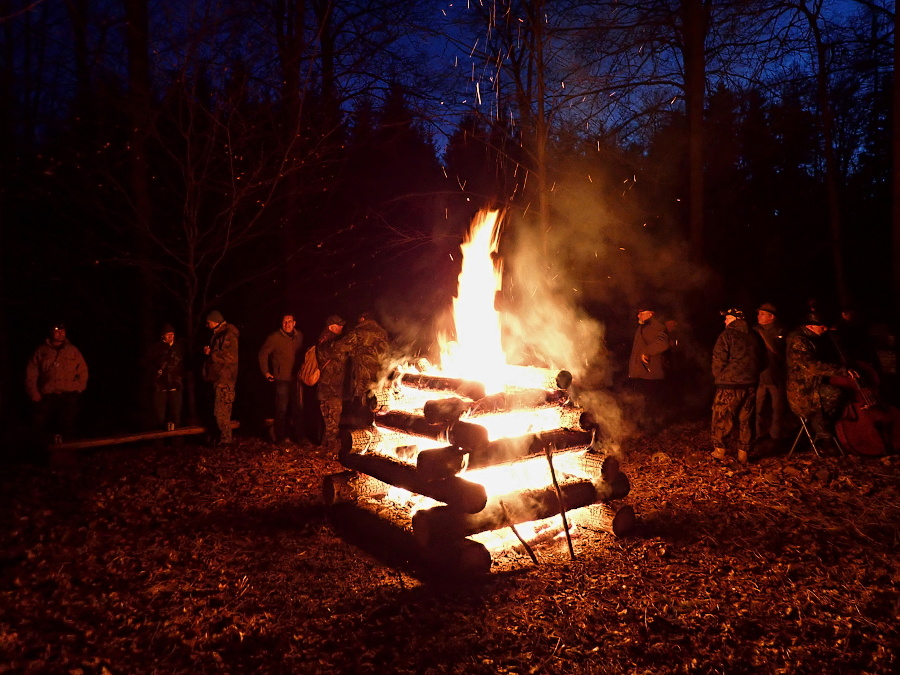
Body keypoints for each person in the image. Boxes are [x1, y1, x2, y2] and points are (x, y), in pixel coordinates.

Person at [786, 311, 849, 451]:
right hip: (803, 392)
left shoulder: (813, 338)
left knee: (831, 397)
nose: (825, 329)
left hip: (813, 387)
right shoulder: (799, 341)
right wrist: (842, 370)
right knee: (834, 394)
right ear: (810, 326)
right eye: (822, 327)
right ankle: (822, 431)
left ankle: (823, 430)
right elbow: (812, 366)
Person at [711, 308, 762, 463]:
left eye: (727, 318)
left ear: (734, 319)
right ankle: (743, 454)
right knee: (746, 419)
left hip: (729, 385)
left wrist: (720, 377)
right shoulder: (754, 336)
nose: (724, 321)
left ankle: (720, 451)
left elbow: (718, 360)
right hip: (750, 384)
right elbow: (763, 360)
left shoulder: (727, 335)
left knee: (721, 417)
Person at [25, 322, 89, 442]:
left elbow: (83, 371)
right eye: (57, 331)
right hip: (47, 395)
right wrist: (33, 392)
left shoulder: (73, 350)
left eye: (62, 331)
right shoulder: (41, 350)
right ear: (51, 332)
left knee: (68, 425)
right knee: (39, 425)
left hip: (68, 395)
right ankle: (39, 452)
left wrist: (79, 387)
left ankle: (69, 454)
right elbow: (31, 372)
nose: (60, 334)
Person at [258, 313, 305, 446]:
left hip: (297, 379)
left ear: (294, 323)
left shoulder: (299, 336)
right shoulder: (274, 338)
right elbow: (263, 353)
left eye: (290, 321)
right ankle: (281, 438)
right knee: (281, 410)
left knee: (298, 409)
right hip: (281, 379)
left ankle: (301, 438)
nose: (287, 324)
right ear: (281, 323)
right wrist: (266, 372)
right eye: (285, 322)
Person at [627, 305, 669, 433]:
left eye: (641, 313)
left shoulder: (656, 327)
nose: (638, 316)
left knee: (649, 403)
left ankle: (651, 429)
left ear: (650, 314)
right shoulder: (643, 327)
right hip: (641, 373)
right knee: (640, 401)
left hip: (650, 374)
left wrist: (647, 352)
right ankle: (641, 427)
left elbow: (663, 343)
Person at [202, 310, 239, 446]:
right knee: (217, 411)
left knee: (221, 412)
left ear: (215, 321)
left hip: (224, 379)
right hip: (217, 378)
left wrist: (211, 353)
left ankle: (225, 441)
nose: (207, 325)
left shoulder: (228, 335)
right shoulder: (219, 335)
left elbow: (230, 357)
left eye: (208, 322)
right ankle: (219, 439)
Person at [753, 303, 789, 442]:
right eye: (759, 313)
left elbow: (786, 353)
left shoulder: (782, 331)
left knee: (778, 409)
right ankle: (757, 434)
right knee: (756, 409)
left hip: (776, 376)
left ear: (771, 317)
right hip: (759, 377)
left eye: (762, 314)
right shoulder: (754, 331)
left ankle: (776, 436)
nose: (758, 316)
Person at [315, 315, 347, 455]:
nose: (342, 327)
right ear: (331, 326)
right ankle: (331, 449)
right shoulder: (329, 342)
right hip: (331, 388)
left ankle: (324, 445)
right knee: (333, 420)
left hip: (326, 387)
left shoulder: (326, 339)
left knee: (328, 419)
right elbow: (338, 356)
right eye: (339, 325)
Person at [145, 323, 185, 429]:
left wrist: (180, 375)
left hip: (175, 384)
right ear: (163, 335)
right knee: (159, 416)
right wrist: (155, 372)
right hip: (160, 385)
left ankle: (177, 442)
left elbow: (186, 363)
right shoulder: (155, 348)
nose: (170, 337)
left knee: (176, 415)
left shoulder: (179, 348)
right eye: (168, 334)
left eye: (172, 334)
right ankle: (158, 443)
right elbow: (146, 363)